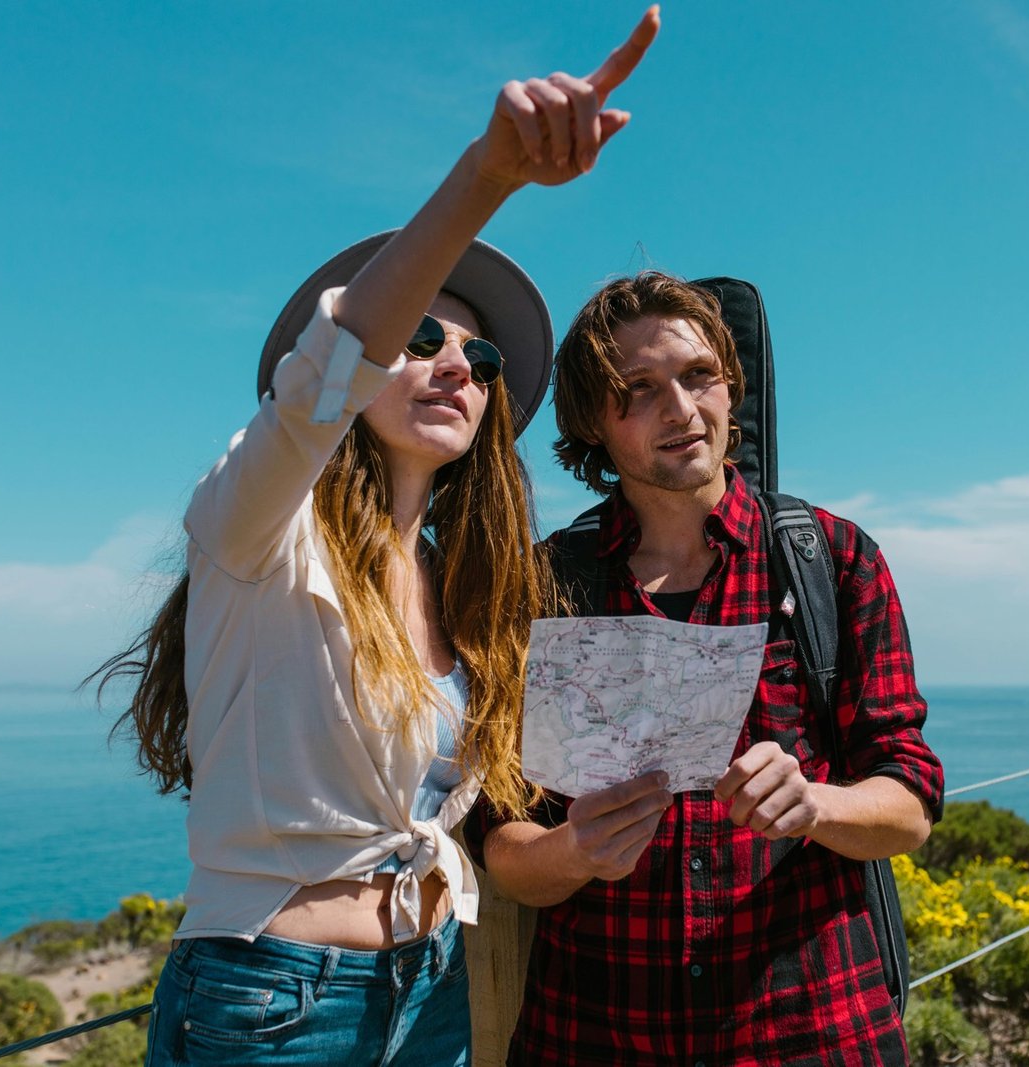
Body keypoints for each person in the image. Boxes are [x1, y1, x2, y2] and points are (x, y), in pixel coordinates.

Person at [91, 10, 661, 1065]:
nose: (457, 362)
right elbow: (332, 366)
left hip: (433, 983)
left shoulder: (460, 584)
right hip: (273, 1001)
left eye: (479, 352)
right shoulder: (263, 525)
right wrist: (488, 174)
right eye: (421, 337)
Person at [467, 271, 945, 1065]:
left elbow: (912, 803)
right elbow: (504, 841)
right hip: (596, 1037)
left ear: (732, 385)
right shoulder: (544, 587)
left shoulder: (830, 558)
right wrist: (575, 851)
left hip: (812, 1033)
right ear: (593, 420)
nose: (682, 409)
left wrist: (815, 802)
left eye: (699, 376)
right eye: (639, 389)